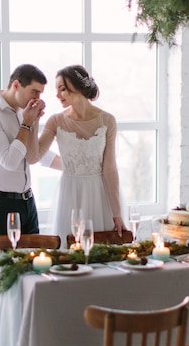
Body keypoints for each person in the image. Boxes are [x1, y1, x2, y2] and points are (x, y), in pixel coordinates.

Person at [28, 64, 126, 246]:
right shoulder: (56, 120)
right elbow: (34, 157)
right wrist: (34, 122)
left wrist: (117, 213)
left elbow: (110, 168)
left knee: (102, 254)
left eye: (62, 89)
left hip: (100, 194)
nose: (57, 95)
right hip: (70, 194)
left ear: (79, 87)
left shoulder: (107, 120)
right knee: (69, 257)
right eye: (56, 90)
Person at [0, 64, 47, 236]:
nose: (37, 98)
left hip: (27, 200)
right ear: (16, 86)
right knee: (1, 261)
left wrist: (34, 121)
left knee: (33, 260)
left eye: (40, 93)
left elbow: (31, 157)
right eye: (34, 92)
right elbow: (10, 161)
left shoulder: (25, 112)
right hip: (0, 203)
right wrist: (27, 123)